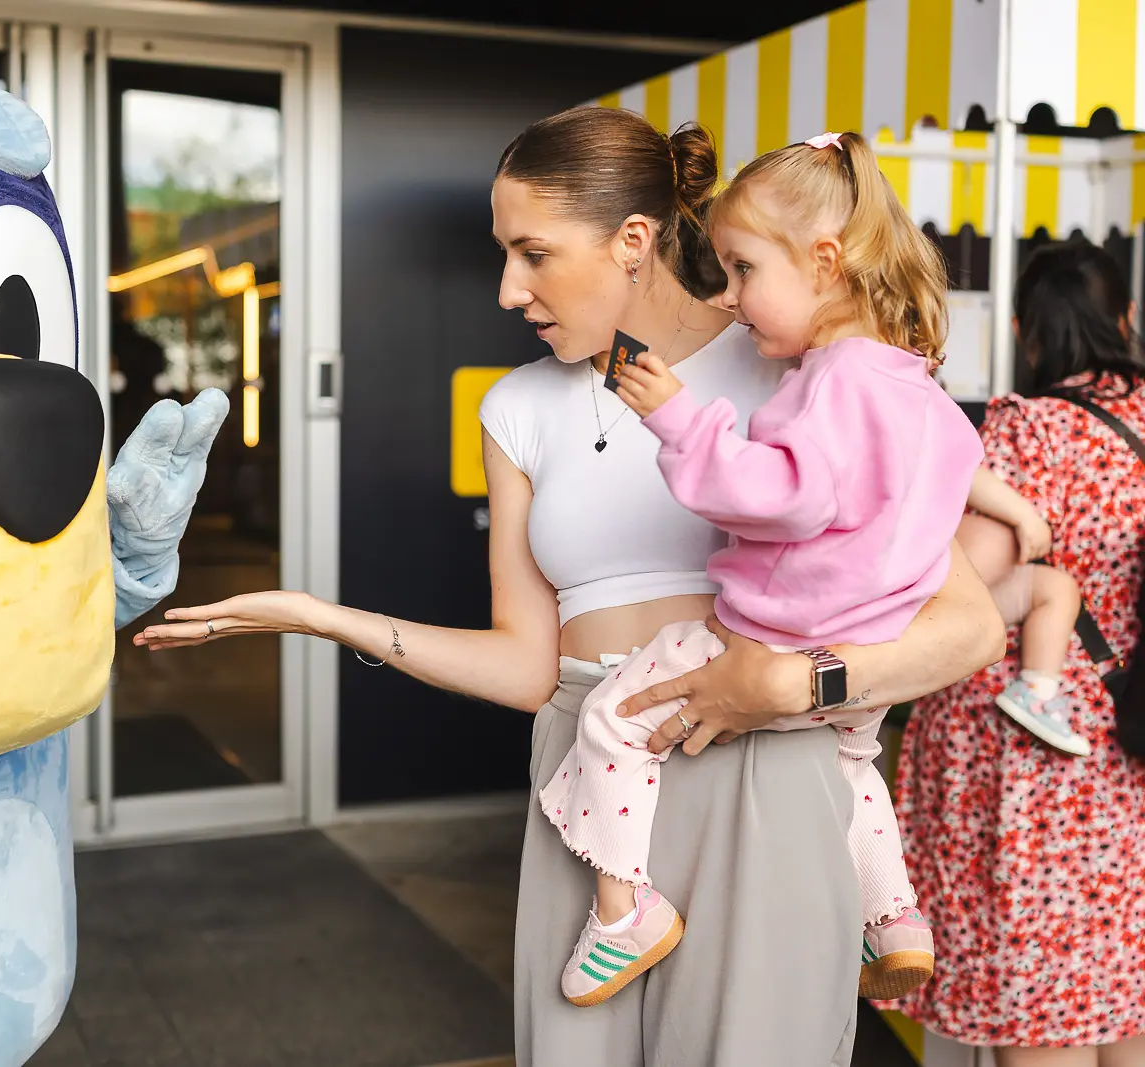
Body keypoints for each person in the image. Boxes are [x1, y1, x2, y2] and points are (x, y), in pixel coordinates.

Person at [135, 107, 1005, 1067]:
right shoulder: (516, 408)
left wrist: (801, 685)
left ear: (633, 241)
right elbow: (524, 666)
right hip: (591, 792)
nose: (509, 289)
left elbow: (968, 627)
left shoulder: (796, 366)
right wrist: (313, 615)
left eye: (533, 253)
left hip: (763, 765)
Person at [540, 130, 983, 1011]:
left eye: (744, 270)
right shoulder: (917, 388)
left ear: (825, 262)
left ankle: (624, 911)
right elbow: (943, 492)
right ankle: (894, 915)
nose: (733, 298)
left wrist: (680, 420)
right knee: (855, 767)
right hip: (866, 656)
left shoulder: (834, 380)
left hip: (768, 632)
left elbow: (786, 496)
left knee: (609, 722)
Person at [894, 240, 1145, 1067]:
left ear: (1023, 331)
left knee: (1044, 1014)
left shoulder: (1026, 432)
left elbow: (965, 581)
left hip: (1030, 758)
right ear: (1126, 320)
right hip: (1134, 742)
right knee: (1124, 997)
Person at [957, 466, 1088, 754]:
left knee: (1058, 588)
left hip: (964, 591)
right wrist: (1024, 518)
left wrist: (1025, 518)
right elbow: (955, 463)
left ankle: (1037, 691)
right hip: (918, 577)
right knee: (996, 540)